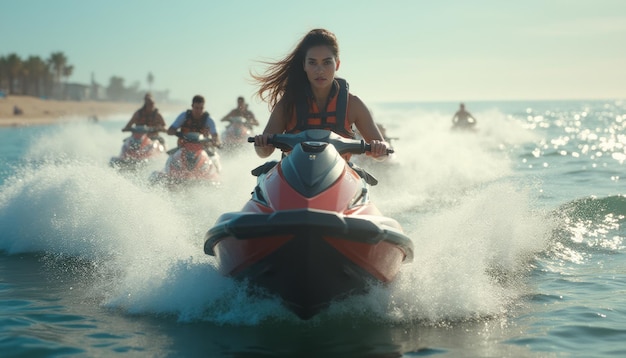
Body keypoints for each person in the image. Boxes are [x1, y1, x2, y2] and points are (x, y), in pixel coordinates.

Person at [251, 28, 389, 160]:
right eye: (312, 63)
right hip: (294, 177)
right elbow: (264, 153)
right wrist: (261, 145)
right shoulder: (288, 103)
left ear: (337, 64)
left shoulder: (353, 104)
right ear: (304, 65)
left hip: (338, 177)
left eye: (327, 62)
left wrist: (380, 149)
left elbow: (382, 152)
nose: (320, 70)